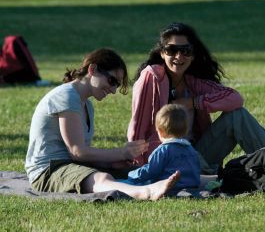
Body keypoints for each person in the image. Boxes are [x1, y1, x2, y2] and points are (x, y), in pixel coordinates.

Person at [25, 48, 180, 201]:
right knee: (101, 177)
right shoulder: (66, 96)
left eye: (116, 85)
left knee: (136, 172)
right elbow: (77, 152)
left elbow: (82, 157)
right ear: (92, 69)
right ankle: (146, 192)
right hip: (47, 171)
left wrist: (114, 162)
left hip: (71, 166)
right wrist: (121, 153)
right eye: (112, 81)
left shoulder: (86, 105)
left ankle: (192, 180)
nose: (113, 90)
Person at [127, 22, 265, 174]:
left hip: (194, 155)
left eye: (185, 50)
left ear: (192, 55)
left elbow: (235, 98)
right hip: (163, 160)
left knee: (237, 116)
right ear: (162, 52)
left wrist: (194, 102)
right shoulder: (151, 77)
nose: (179, 56)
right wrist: (140, 169)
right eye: (172, 50)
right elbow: (137, 129)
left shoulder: (193, 82)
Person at [122, 103, 200, 191]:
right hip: (192, 186)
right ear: (185, 130)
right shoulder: (191, 150)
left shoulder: (163, 150)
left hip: (169, 188)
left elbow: (151, 171)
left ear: (160, 131)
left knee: (125, 183)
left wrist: (132, 174)